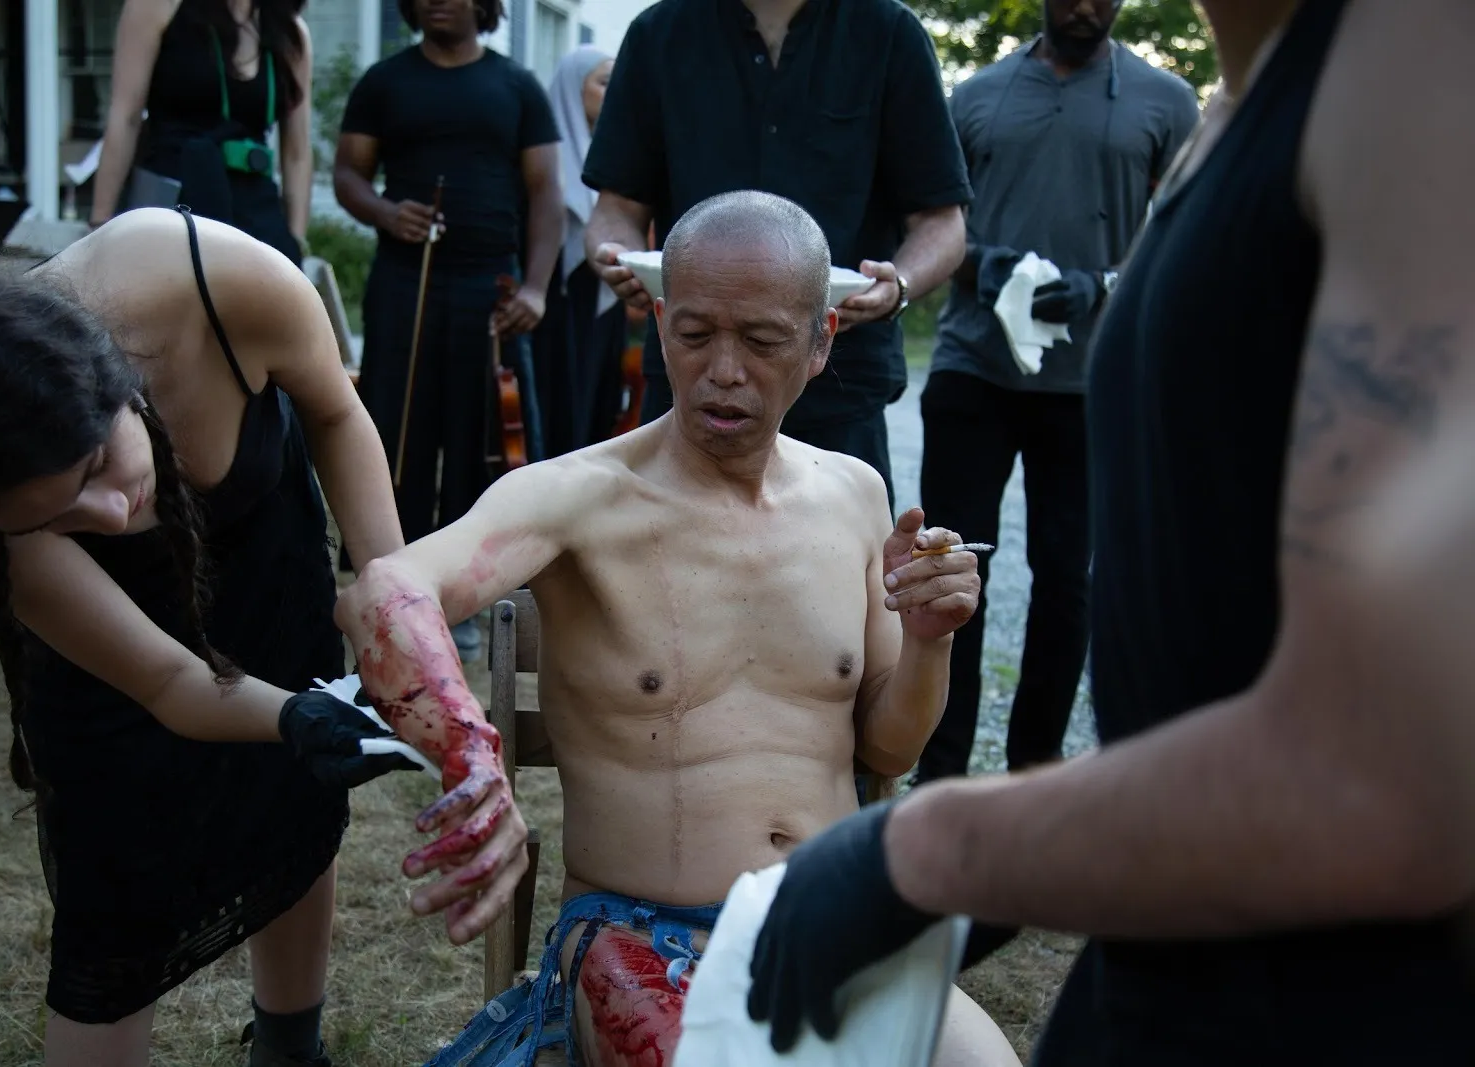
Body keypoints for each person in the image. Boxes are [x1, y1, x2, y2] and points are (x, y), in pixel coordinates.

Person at [746, 1, 1475, 1063]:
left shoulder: (1419, 46)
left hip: (1349, 1000)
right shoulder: (1241, 99)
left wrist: (924, 844)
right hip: (1184, 948)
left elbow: (1391, 765)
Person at [335, 191, 1018, 1067]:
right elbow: (388, 591)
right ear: (659, 324)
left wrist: (928, 638)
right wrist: (471, 751)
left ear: (820, 343)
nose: (722, 370)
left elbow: (886, 748)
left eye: (763, 341)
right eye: (695, 334)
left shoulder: (855, 494)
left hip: (829, 923)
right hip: (640, 933)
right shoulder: (578, 496)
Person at [0, 206, 528, 1067]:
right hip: (115, 662)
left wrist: (394, 607)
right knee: (111, 888)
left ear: (101, 371)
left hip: (264, 546)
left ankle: (291, 1047)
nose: (110, 515)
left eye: (95, 467)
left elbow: (336, 410)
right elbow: (166, 683)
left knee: (291, 814)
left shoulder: (210, 278)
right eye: (57, 517)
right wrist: (295, 717)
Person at [913, 0, 1200, 969]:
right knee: (953, 569)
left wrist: (1108, 286)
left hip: (1089, 377)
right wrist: (977, 265)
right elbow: (932, 226)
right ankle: (939, 771)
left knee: (1067, 579)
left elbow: (1181, 229)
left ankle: (1036, 772)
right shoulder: (976, 97)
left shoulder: (1165, 102)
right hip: (970, 370)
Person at [580, 0, 972, 508]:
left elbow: (942, 222)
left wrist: (899, 284)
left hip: (838, 373)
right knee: (667, 569)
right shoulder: (660, 32)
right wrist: (618, 253)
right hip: (693, 375)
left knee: (840, 574)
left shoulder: (888, 32)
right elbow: (615, 207)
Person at [333, 0, 564, 661]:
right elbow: (348, 174)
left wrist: (535, 288)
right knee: (397, 433)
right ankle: (388, 584)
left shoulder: (516, 86)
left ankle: (461, 597)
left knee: (478, 438)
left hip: (489, 286)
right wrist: (384, 211)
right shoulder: (385, 80)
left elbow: (547, 193)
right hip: (405, 283)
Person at [89, 0, 314, 266]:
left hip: (256, 209)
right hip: (175, 204)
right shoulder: (156, 6)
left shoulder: (289, 30)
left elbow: (297, 152)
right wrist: (100, 223)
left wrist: (296, 238)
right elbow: (125, 119)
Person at [530, 46, 629, 456]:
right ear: (573, 89)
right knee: (559, 398)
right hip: (558, 302)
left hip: (602, 302)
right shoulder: (545, 159)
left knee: (597, 401)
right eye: (604, 82)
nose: (614, 93)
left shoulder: (613, 153)